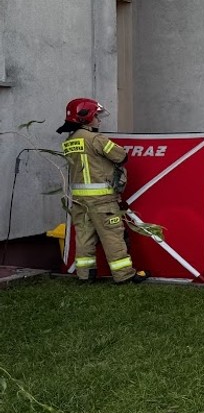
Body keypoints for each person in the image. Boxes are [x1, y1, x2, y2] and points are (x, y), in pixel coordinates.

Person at [57, 97, 147, 284]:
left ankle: (85, 275)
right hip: (102, 200)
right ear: (86, 116)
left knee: (84, 237)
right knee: (112, 235)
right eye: (96, 115)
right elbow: (120, 156)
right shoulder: (95, 138)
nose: (99, 120)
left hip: (79, 201)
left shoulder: (70, 140)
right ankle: (124, 275)